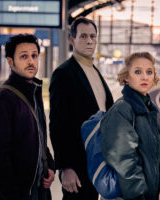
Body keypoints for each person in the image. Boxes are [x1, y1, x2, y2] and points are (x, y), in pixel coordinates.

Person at [0, 34, 55, 200]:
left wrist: (49, 165)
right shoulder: (1, 101)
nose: (31, 61)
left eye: (34, 55)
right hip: (17, 194)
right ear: (10, 62)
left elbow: (40, 138)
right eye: (24, 56)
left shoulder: (34, 93)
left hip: (39, 190)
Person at [49, 17, 114, 200]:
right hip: (77, 164)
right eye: (83, 36)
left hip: (97, 160)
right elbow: (57, 123)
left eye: (93, 36)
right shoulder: (64, 74)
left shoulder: (95, 71)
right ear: (72, 40)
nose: (89, 41)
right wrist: (66, 167)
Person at [100, 52, 160, 200]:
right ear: (126, 77)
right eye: (138, 71)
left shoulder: (147, 111)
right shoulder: (122, 110)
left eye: (149, 72)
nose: (145, 77)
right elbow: (124, 163)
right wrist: (138, 196)